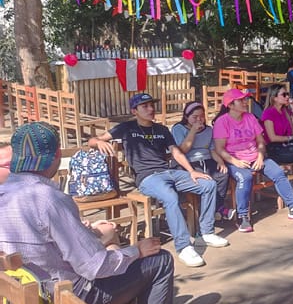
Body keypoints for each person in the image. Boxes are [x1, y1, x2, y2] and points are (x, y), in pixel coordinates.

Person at [2, 122, 174, 304]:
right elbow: (95, 267)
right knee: (160, 260)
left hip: (22, 301)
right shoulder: (48, 198)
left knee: (115, 248)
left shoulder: (5, 192)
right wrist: (137, 250)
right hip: (67, 301)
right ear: (56, 155)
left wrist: (85, 230)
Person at [90, 93, 225, 269]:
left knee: (209, 184)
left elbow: (176, 152)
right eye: (145, 106)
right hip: (147, 177)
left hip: (169, 172)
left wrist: (192, 171)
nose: (151, 109)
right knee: (170, 197)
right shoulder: (126, 127)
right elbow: (93, 139)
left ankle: (206, 232)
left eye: (151, 105)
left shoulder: (161, 129)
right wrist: (98, 142)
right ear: (134, 111)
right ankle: (184, 247)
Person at [213, 89, 293, 232]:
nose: (245, 102)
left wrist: (260, 156)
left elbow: (260, 141)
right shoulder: (222, 122)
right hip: (235, 159)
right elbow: (219, 148)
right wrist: (235, 162)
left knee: (279, 173)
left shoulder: (250, 117)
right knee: (245, 177)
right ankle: (242, 216)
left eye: (245, 99)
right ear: (230, 105)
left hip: (256, 156)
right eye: (241, 100)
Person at [171, 101, 232, 221]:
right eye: (194, 117)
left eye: (202, 116)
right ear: (186, 116)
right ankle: (209, 212)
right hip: (188, 162)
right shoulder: (178, 129)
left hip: (206, 160)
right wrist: (193, 131)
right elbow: (182, 150)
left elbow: (212, 150)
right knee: (206, 180)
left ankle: (216, 208)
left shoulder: (208, 130)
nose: (199, 119)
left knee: (223, 174)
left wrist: (220, 161)